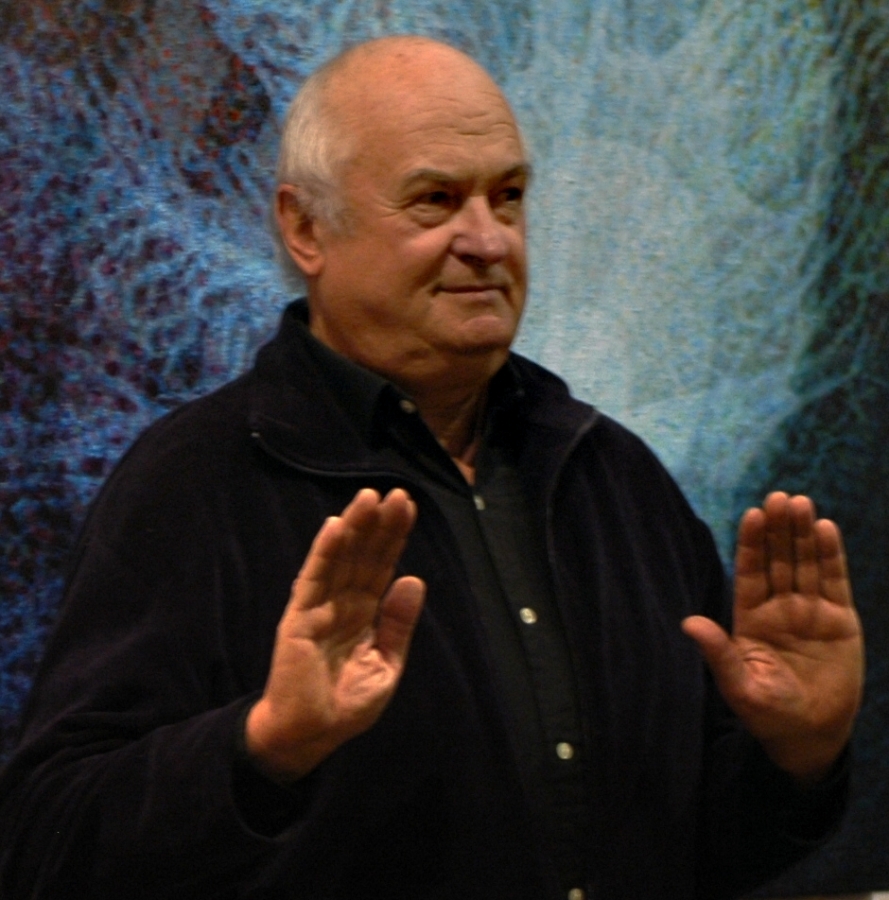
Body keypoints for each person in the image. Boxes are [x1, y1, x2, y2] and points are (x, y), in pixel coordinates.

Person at [0, 35, 864, 900]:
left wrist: (798, 756)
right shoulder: (195, 484)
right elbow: (48, 842)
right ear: (305, 228)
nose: (486, 240)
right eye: (435, 200)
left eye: (508, 196)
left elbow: (698, 848)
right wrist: (263, 749)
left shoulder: (612, 475)